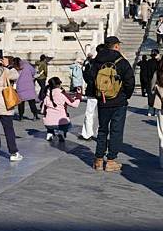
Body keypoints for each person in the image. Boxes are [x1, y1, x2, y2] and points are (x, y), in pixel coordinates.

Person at [86, 36, 135, 171]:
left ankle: (98, 159)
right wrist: (126, 95)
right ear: (116, 46)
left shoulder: (97, 61)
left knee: (102, 129)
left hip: (103, 100)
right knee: (116, 130)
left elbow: (90, 79)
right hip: (119, 101)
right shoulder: (121, 61)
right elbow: (130, 80)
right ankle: (111, 160)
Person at [42, 77, 81, 142]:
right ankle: (62, 132)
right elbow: (74, 104)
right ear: (58, 84)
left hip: (48, 124)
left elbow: (42, 110)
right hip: (62, 123)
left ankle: (50, 133)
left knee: (50, 119)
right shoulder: (62, 93)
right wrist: (79, 95)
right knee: (68, 124)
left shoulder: (47, 95)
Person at [80, 47, 103, 140]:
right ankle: (100, 134)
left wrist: (90, 83)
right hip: (104, 92)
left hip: (92, 91)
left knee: (89, 113)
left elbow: (85, 75)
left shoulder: (90, 62)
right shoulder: (108, 63)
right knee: (103, 114)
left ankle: (87, 134)